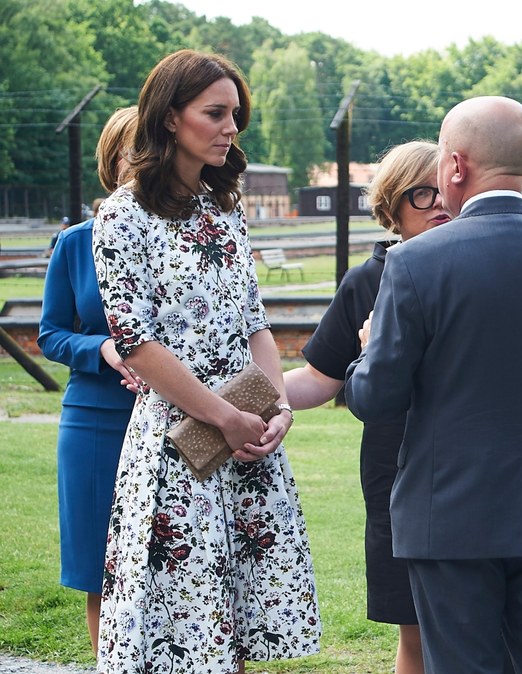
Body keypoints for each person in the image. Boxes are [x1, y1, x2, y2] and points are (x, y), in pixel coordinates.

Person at [344, 95, 522, 674]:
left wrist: (368, 350)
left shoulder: (414, 263)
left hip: (449, 519)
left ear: (454, 166)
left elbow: (375, 398)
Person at [91, 49, 320, 673]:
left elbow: (255, 324)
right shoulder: (122, 214)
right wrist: (222, 416)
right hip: (179, 443)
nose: (230, 127)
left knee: (237, 626)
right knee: (181, 626)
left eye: (235, 115)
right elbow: (136, 342)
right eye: (215, 113)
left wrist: (275, 411)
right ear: (169, 118)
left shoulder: (225, 207)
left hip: (246, 436)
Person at [282, 140, 451, 674]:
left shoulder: (482, 268)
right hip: (396, 476)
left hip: (472, 471)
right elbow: (316, 378)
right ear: (392, 207)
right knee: (417, 634)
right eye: (423, 194)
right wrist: (218, 400)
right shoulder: (369, 281)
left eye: (447, 188)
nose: (441, 202)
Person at [37, 105, 144, 655]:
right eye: (134, 150)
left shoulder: (192, 239)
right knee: (101, 570)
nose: (146, 160)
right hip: (95, 425)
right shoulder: (77, 241)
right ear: (112, 161)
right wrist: (100, 347)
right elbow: (51, 333)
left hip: (177, 422)